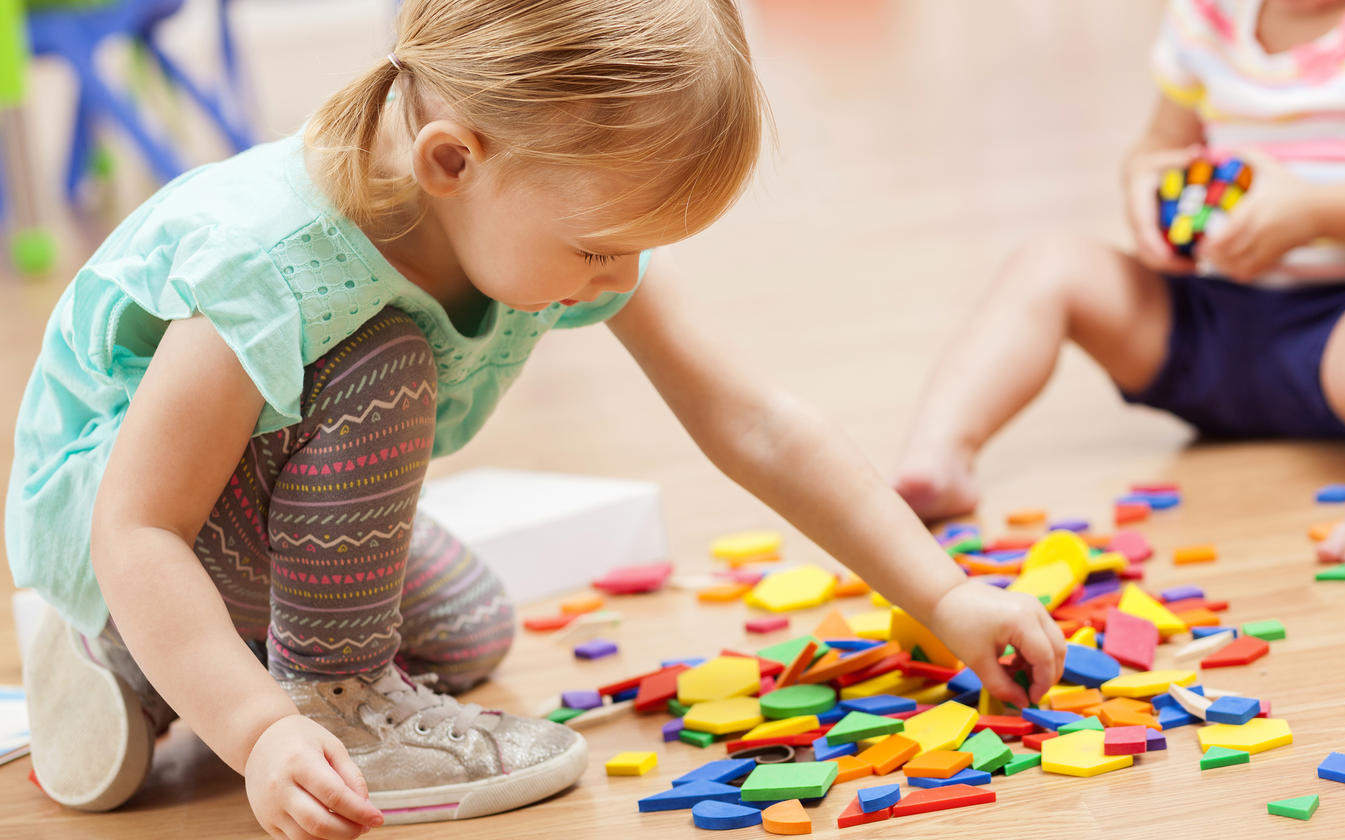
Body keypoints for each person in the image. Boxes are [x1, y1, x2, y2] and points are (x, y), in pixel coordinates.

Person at [7, 1, 1064, 837]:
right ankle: (304, 694)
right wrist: (263, 733)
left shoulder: (547, 210)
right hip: (127, 514)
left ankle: (135, 666)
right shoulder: (275, 264)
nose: (620, 274)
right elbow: (137, 525)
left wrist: (943, 591)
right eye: (603, 246)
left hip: (226, 509)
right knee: (384, 364)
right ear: (453, 162)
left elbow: (753, 421)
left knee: (471, 630)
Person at [894, 0, 1345, 565]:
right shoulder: (1210, 15)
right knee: (1051, 262)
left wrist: (1317, 212)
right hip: (1213, 325)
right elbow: (1159, 148)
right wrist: (1146, 191)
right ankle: (938, 455)